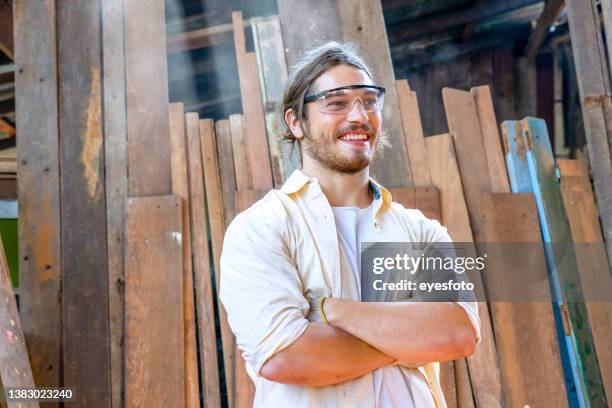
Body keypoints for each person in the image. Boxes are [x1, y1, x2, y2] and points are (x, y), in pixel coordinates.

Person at [220, 42, 481, 408]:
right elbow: (286, 357)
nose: (359, 116)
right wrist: (409, 339)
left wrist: (332, 311)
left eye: (369, 101)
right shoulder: (261, 229)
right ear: (296, 122)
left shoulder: (422, 232)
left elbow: (459, 333)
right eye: (336, 103)